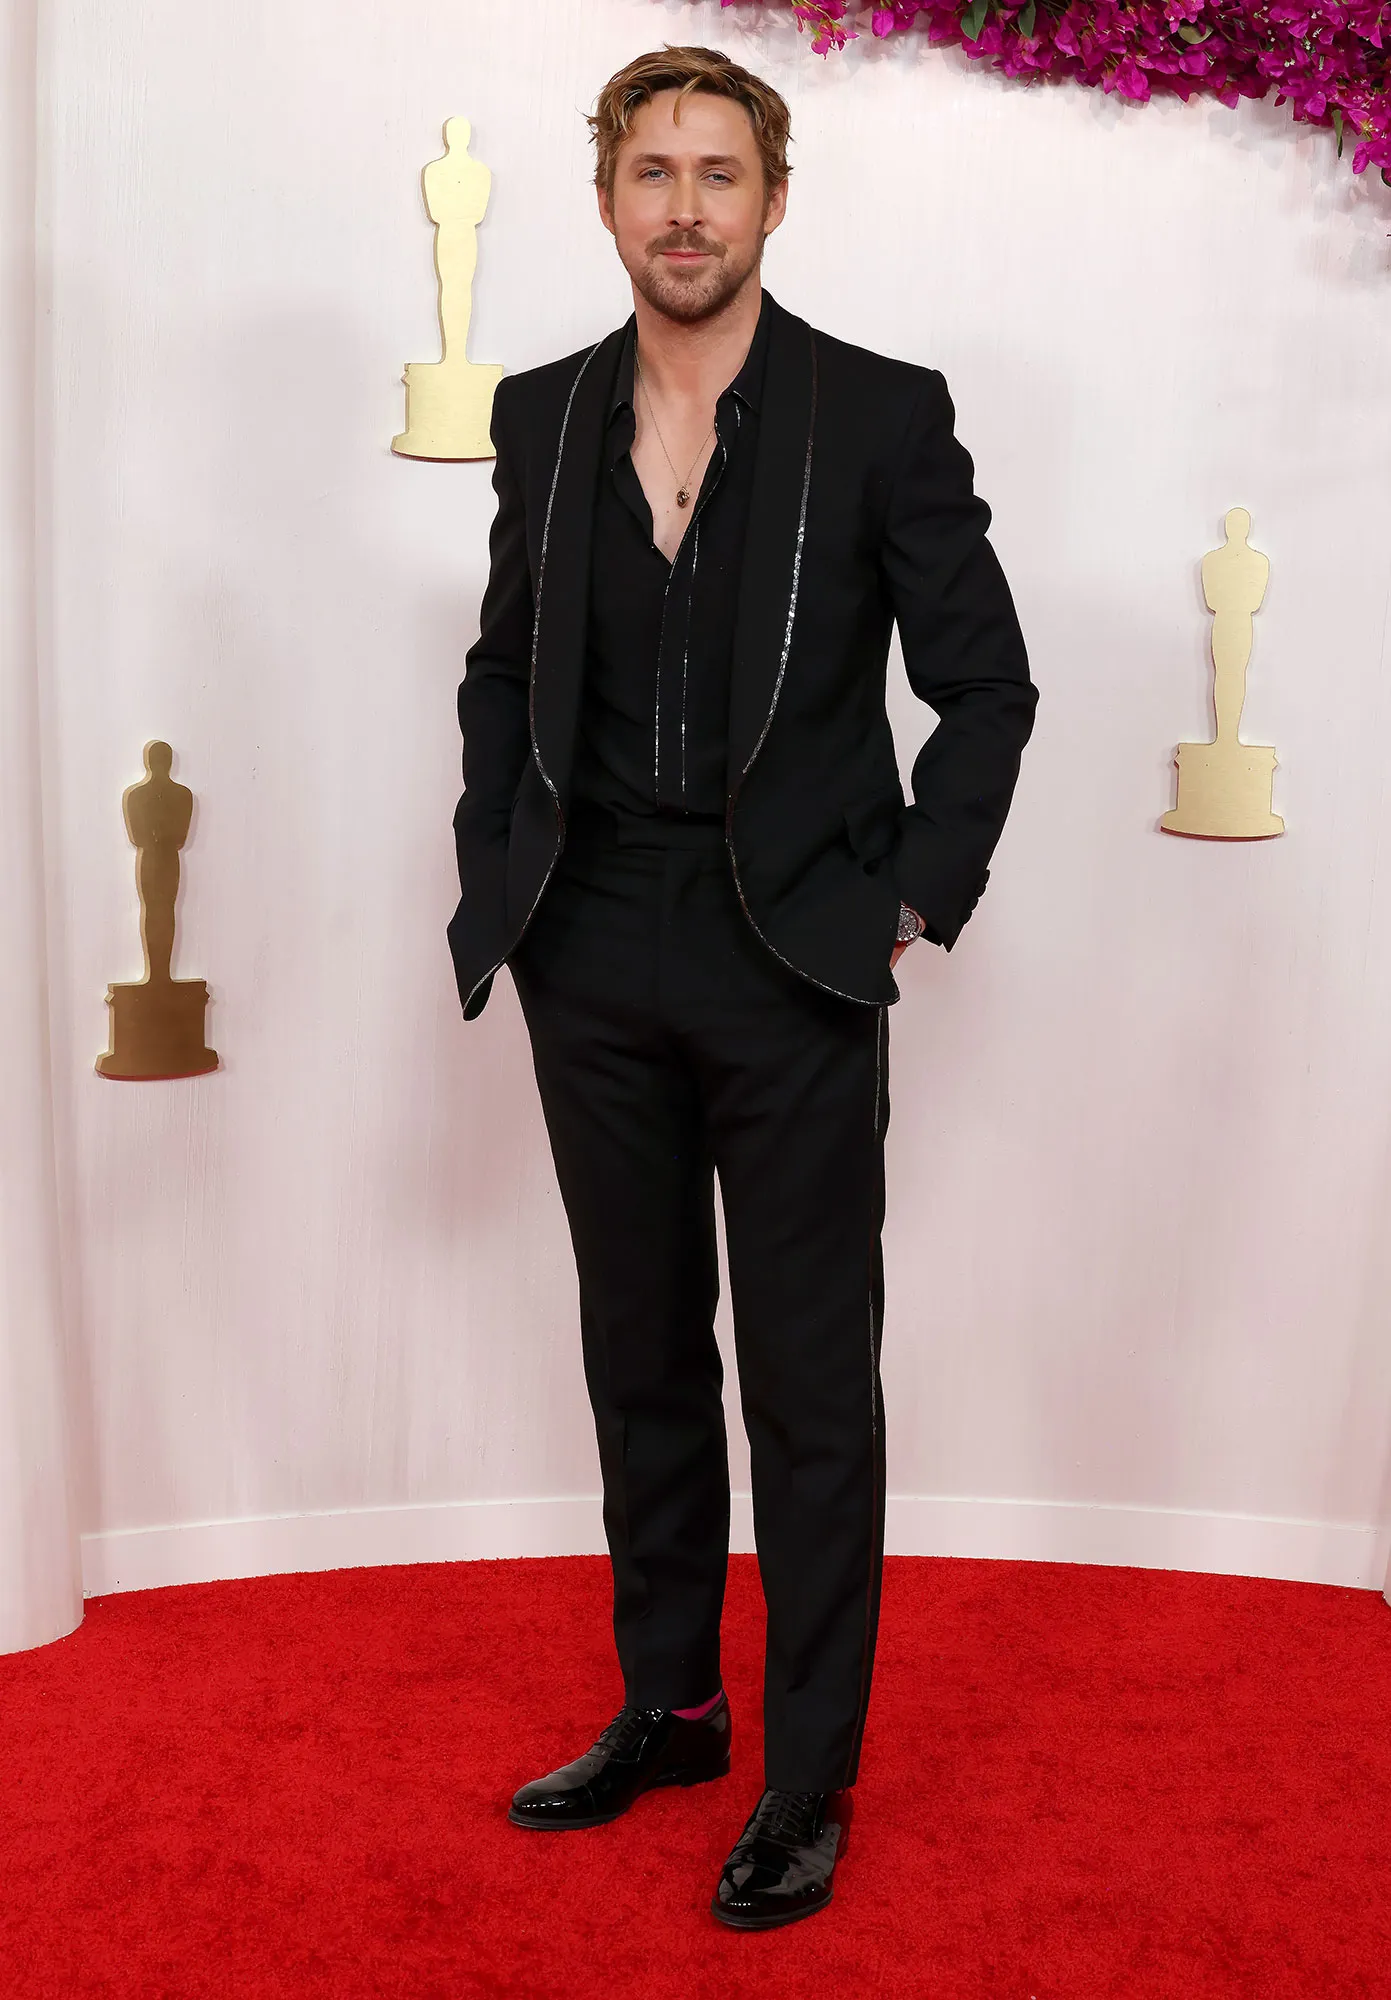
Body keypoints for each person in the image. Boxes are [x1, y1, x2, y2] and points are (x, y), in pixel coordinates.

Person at [447, 45, 1037, 1930]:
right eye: (653, 172)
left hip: (794, 953)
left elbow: (986, 686)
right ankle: (673, 1709)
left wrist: (907, 900)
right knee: (638, 1357)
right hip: (590, 942)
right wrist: (499, 876)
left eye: (719, 174)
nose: (684, 208)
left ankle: (803, 1778)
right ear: (605, 201)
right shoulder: (541, 414)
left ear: (774, 200)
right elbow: (499, 672)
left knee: (804, 1382)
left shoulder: (877, 413)